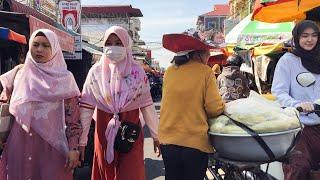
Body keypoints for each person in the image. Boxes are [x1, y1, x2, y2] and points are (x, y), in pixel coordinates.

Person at [79, 26, 160, 180]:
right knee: (105, 171)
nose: (113, 47)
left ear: (127, 45)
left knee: (131, 173)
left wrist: (156, 136)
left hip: (130, 133)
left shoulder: (138, 72)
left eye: (118, 43)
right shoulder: (95, 73)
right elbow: (86, 108)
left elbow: (147, 106)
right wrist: (82, 141)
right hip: (103, 131)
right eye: (109, 43)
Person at [0, 29, 82, 179]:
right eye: (35, 44)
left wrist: (73, 148)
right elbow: (4, 104)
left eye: (45, 45)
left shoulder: (65, 80)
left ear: (55, 49)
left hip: (52, 149)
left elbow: (73, 120)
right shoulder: (18, 74)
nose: (39, 49)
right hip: (19, 146)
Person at [159, 32, 225, 180]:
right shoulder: (205, 72)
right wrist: (224, 105)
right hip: (193, 143)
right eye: (208, 52)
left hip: (167, 141)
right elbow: (214, 109)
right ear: (199, 54)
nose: (209, 56)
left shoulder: (169, 71)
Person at [271, 20, 320, 180]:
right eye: (305, 36)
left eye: (314, 35)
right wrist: (298, 105)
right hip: (298, 127)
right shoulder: (288, 60)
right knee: (299, 167)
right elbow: (279, 92)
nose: (309, 40)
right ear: (297, 38)